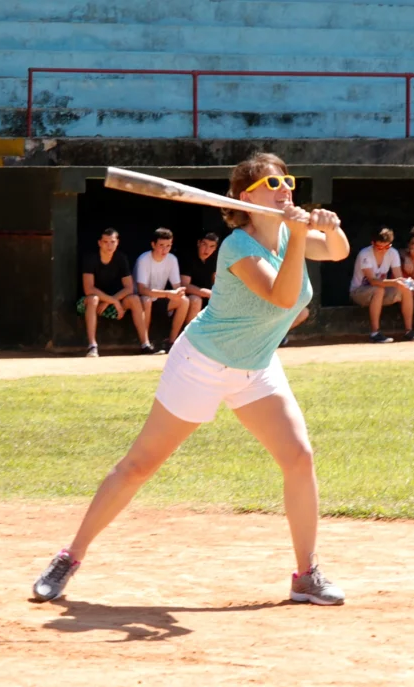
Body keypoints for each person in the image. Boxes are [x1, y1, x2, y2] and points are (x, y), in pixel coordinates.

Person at [32, 152, 351, 606]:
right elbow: (283, 298)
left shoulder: (288, 234)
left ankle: (306, 574)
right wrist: (301, 234)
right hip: (202, 363)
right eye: (274, 185)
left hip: (255, 368)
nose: (286, 191)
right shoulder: (239, 247)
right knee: (139, 465)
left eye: (288, 182)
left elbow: (336, 250)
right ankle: (70, 555)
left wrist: (329, 226)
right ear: (247, 197)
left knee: (299, 457)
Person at [77, 228, 155, 357]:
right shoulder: (90, 258)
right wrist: (113, 301)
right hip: (90, 303)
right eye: (106, 242)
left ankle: (145, 344)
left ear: (117, 242)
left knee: (134, 298)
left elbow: (129, 288)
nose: (109, 245)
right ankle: (92, 346)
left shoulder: (121, 258)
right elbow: (89, 289)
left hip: (112, 303)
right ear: (99, 243)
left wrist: (111, 301)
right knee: (93, 299)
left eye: (112, 242)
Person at [349, 227, 414, 343]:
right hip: (359, 292)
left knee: (405, 289)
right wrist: (394, 282)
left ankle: (409, 332)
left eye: (387, 247)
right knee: (378, 289)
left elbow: (399, 277)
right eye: (379, 247)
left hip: (381, 292)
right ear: (372, 243)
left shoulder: (392, 253)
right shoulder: (365, 254)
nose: (383, 250)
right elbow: (373, 281)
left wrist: (408, 283)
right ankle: (375, 333)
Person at [134, 228, 190, 352]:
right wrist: (168, 294)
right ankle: (146, 344)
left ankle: (172, 342)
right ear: (153, 244)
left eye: (168, 246)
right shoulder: (144, 259)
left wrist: (177, 293)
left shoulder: (172, 259)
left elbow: (177, 287)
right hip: (142, 300)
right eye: (161, 245)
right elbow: (142, 290)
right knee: (146, 300)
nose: (165, 250)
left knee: (184, 300)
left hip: (161, 299)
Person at [180, 232, 219, 326]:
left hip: (208, 296)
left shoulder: (214, 259)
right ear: (198, 243)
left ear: (215, 248)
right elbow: (184, 285)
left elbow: (215, 280)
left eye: (211, 246)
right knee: (196, 300)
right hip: (189, 297)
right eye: (204, 244)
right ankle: (188, 336)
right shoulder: (188, 258)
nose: (207, 249)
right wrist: (206, 293)